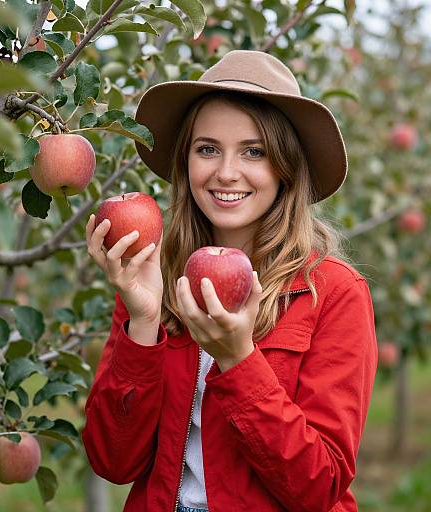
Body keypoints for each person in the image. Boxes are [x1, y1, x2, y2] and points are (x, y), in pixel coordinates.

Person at [82, 50, 378, 512]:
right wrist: (141, 321)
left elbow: (320, 486)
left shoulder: (331, 293)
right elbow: (112, 461)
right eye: (208, 149)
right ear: (186, 161)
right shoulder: (157, 278)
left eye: (254, 151)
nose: (225, 172)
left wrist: (238, 361)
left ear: (285, 167)